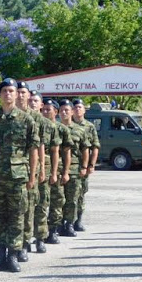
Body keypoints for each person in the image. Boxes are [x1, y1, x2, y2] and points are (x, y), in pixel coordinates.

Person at [0, 78, 39, 272]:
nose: (8, 94)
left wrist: (32, 176)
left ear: (17, 94)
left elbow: (33, 150)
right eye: (4, 91)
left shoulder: (27, 120)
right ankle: (0, 256)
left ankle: (13, 255)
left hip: (18, 177)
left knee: (17, 216)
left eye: (11, 91)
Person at [15, 81, 44, 262]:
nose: (20, 95)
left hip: (29, 169)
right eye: (18, 92)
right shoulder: (9, 114)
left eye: (23, 92)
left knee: (29, 207)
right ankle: (16, 243)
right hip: (14, 171)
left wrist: (39, 170)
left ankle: (26, 242)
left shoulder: (36, 118)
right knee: (17, 209)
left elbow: (39, 145)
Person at [30, 92, 60, 253]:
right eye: (30, 101)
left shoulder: (48, 125)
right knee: (25, 207)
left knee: (41, 204)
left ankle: (40, 237)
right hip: (24, 168)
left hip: (44, 168)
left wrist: (53, 172)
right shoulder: (22, 119)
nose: (32, 103)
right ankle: (24, 239)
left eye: (36, 101)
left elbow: (55, 151)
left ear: (40, 105)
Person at [58, 99, 89, 237]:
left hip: (75, 168)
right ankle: (57, 224)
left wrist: (84, 167)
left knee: (72, 199)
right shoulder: (55, 128)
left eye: (67, 110)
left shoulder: (79, 130)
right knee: (58, 199)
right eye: (62, 110)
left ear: (71, 112)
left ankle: (69, 223)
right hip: (58, 167)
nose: (64, 113)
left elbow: (86, 149)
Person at [46, 100, 72, 243]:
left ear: (55, 112)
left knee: (57, 201)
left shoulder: (62, 129)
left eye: (48, 109)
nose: (45, 112)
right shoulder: (38, 125)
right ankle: (40, 232)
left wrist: (66, 171)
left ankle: (53, 230)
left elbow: (67, 152)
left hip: (57, 170)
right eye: (43, 109)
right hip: (41, 169)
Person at [72, 98, 100, 231]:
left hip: (83, 164)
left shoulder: (89, 126)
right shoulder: (67, 124)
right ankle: (67, 221)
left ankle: (78, 220)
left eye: (79, 107)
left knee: (81, 193)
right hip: (69, 164)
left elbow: (95, 146)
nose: (77, 110)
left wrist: (91, 165)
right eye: (75, 107)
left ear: (84, 110)